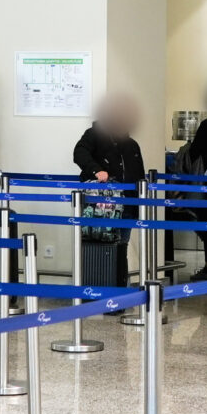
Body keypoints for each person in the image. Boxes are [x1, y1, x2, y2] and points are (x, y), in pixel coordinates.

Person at [72, 94, 146, 284]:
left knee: (121, 245)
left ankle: (120, 285)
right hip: (101, 208)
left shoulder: (132, 145)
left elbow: (139, 175)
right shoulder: (94, 135)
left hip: (127, 206)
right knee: (101, 244)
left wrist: (138, 205)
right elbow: (79, 153)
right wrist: (97, 170)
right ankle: (102, 283)